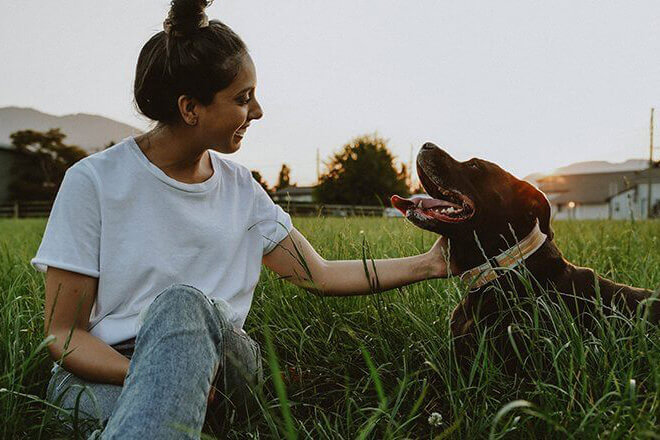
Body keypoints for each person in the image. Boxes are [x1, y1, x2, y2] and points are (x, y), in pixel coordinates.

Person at [31, 1, 453, 438]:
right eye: (242, 98)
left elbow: (320, 275)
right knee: (135, 409)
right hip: (104, 367)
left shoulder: (241, 190)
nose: (257, 112)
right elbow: (63, 333)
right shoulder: (93, 182)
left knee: (182, 303)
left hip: (222, 362)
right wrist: (158, 375)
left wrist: (430, 264)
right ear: (190, 108)